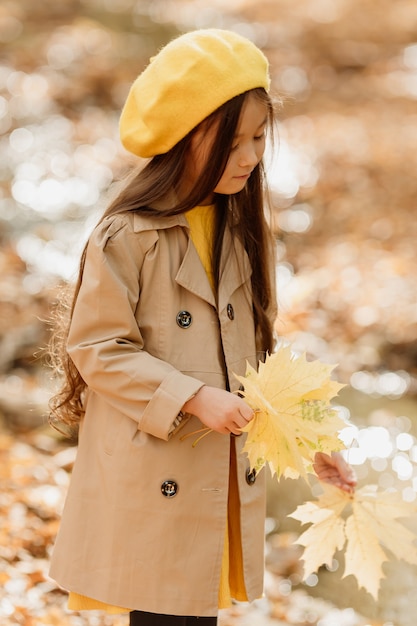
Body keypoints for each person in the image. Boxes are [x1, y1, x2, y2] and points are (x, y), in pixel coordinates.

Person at [48, 28, 356, 626]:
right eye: (232, 141)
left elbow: (265, 358)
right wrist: (192, 397)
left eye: (259, 138)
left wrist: (313, 440)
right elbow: (97, 347)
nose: (249, 157)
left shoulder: (241, 230)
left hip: (214, 474)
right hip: (154, 471)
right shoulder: (126, 236)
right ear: (185, 139)